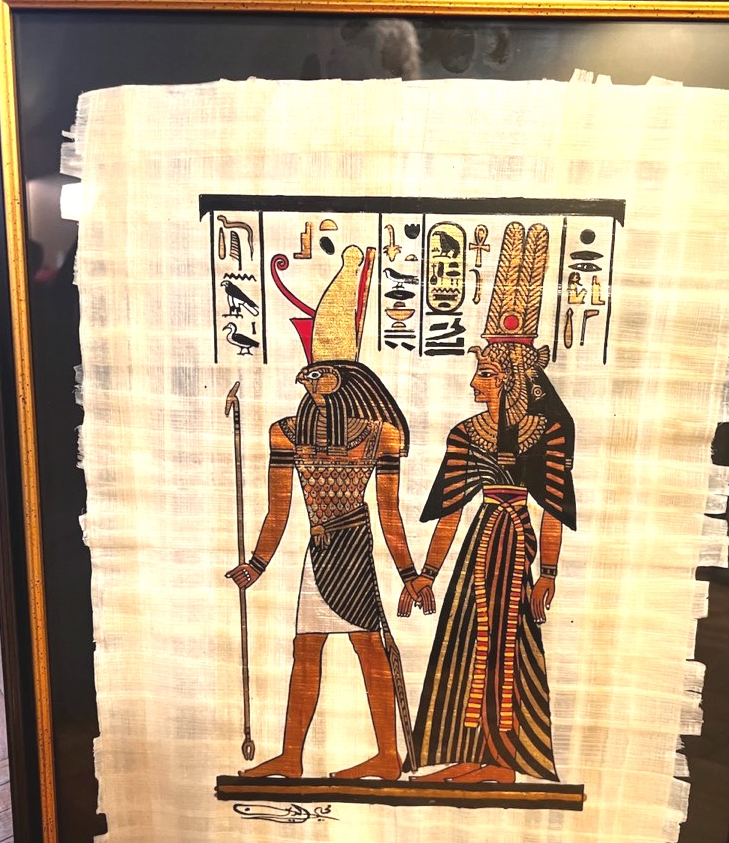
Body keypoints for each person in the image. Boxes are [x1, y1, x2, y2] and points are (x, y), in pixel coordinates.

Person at [227, 245, 418, 781]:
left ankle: (387, 755)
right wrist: (257, 564)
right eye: (307, 377)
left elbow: (389, 512)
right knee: (305, 649)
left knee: (367, 647)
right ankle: (292, 756)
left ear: (348, 377)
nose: (310, 386)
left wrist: (410, 574)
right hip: (318, 551)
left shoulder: (380, 435)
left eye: (322, 376)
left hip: (352, 549)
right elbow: (279, 510)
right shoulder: (286, 433)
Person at [401, 222, 577, 784]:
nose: (474, 383)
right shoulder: (465, 433)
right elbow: (451, 510)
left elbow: (553, 509)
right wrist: (427, 574)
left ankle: (503, 763)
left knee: (506, 643)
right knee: (465, 641)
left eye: (484, 373)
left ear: (509, 380)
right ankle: (469, 755)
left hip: (515, 545)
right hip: (480, 546)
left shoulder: (545, 432)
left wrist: (548, 574)